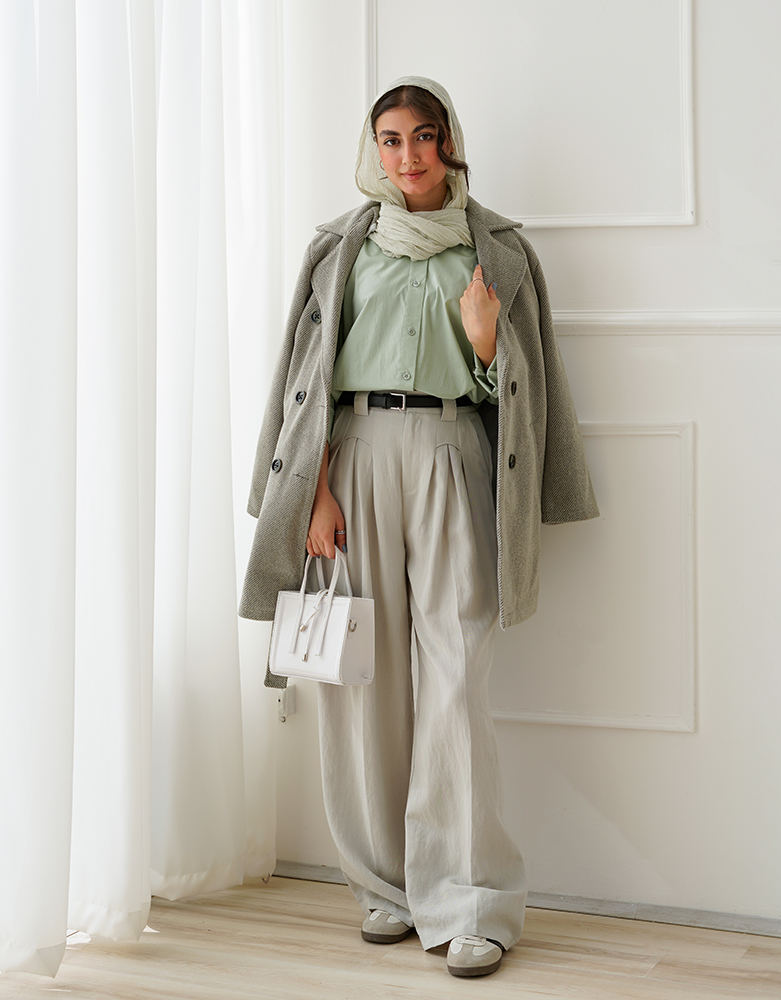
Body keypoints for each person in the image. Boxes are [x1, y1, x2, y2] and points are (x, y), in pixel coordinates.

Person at [239, 76, 599, 979]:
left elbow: (520, 387)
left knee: (456, 675)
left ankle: (471, 901)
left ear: (450, 142)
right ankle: (386, 887)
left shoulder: (496, 248)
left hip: (451, 452)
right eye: (392, 139)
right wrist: (315, 489)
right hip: (353, 459)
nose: (409, 156)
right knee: (362, 680)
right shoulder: (340, 247)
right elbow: (307, 381)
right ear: (374, 149)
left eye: (425, 136)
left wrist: (484, 342)